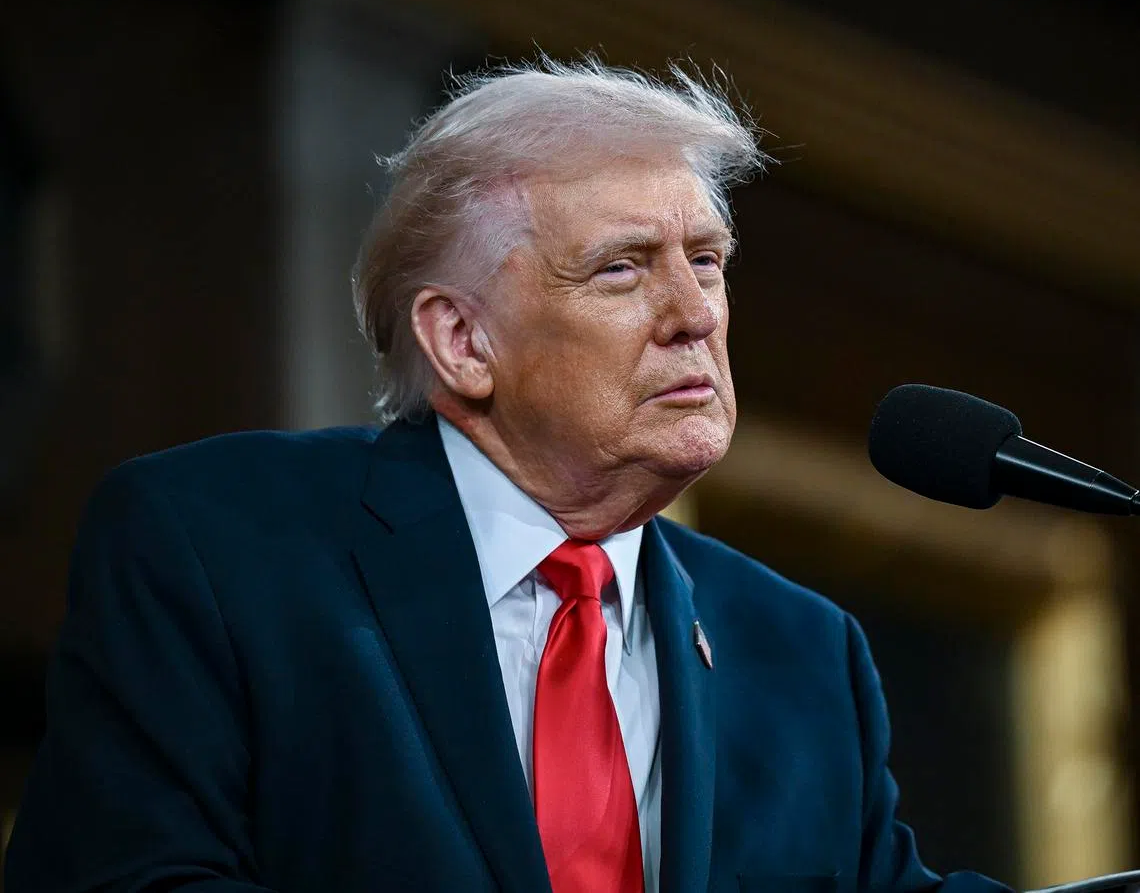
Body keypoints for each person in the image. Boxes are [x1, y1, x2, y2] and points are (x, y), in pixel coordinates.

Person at [4, 59, 1008, 893]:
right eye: (623, 267)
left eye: (706, 260)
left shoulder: (800, 653)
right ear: (461, 339)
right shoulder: (216, 548)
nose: (696, 313)